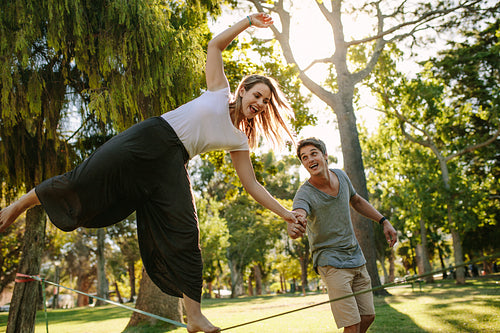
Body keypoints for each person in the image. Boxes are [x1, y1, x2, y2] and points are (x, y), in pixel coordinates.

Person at [0, 13, 306, 333]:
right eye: (257, 95)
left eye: (265, 101)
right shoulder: (219, 91)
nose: (259, 103)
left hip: (172, 164)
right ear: (243, 91)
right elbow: (215, 46)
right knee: (82, 179)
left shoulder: (239, 140)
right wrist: (248, 22)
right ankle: (17, 206)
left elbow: (252, 184)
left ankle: (195, 316)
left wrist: (285, 213)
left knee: (186, 232)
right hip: (148, 137)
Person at [287, 137, 397, 333]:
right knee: (352, 324)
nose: (309, 159)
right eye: (304, 157)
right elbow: (299, 213)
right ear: (303, 164)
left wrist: (383, 221)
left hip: (355, 257)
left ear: (325, 155)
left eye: (313, 153)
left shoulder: (341, 176)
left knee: (367, 316)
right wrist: (296, 224)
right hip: (330, 262)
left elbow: (356, 200)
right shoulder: (304, 193)